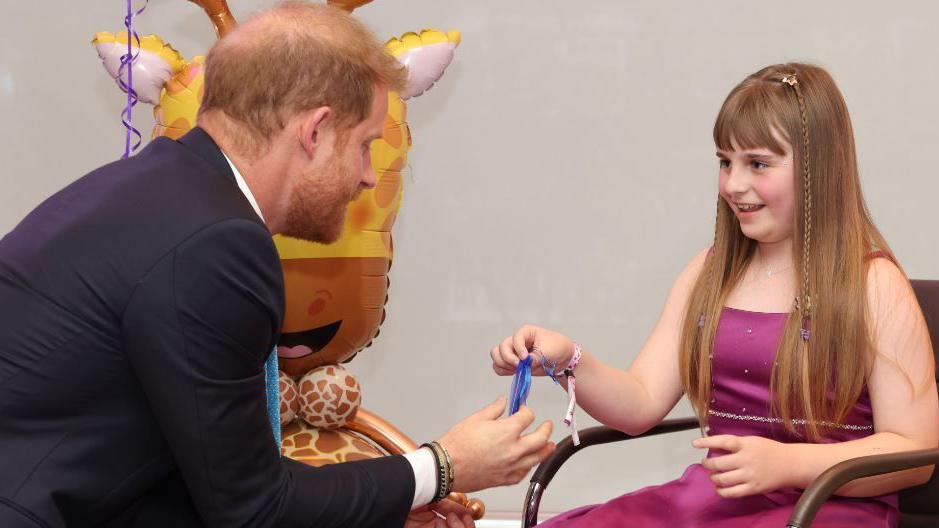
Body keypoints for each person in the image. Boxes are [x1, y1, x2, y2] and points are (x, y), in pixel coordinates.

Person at [0, 3, 554, 527]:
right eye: (364, 145)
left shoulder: (157, 187)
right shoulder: (217, 243)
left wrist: (367, 510)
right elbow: (252, 511)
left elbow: (207, 477)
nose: (368, 176)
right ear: (313, 133)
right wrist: (446, 465)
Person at [490, 63, 938, 527]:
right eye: (725, 162)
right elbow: (641, 402)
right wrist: (568, 359)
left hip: (828, 509)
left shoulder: (875, 286)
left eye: (758, 164)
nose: (733, 185)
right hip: (716, 502)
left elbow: (913, 452)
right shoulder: (709, 273)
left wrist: (787, 465)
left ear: (817, 170)